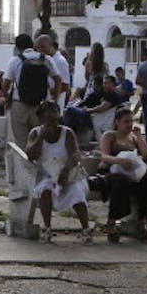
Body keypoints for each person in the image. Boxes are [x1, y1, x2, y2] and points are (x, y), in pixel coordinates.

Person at [25, 101, 92, 244]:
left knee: (76, 192)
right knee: (46, 190)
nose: (54, 124)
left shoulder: (67, 133)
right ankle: (47, 228)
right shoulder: (35, 133)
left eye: (56, 120)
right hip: (48, 176)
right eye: (50, 121)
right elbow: (31, 155)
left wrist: (66, 170)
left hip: (70, 174)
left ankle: (86, 229)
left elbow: (74, 154)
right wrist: (41, 137)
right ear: (41, 120)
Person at [98, 108, 147, 242]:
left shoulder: (133, 139)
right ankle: (112, 223)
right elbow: (104, 156)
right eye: (126, 122)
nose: (129, 125)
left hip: (132, 172)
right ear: (117, 123)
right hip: (113, 171)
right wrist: (119, 161)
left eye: (131, 121)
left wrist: (140, 138)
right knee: (121, 183)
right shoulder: (109, 136)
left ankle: (141, 221)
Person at [1, 34, 64, 146]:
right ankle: (37, 162)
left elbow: (6, 85)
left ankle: (23, 163)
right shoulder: (46, 59)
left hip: (20, 105)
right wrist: (55, 99)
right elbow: (58, 80)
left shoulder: (15, 60)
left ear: (17, 47)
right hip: (41, 106)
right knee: (39, 139)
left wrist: (6, 97)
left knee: (21, 141)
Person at [83, 75, 124, 144]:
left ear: (113, 84)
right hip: (102, 118)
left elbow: (102, 108)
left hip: (101, 119)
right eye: (104, 83)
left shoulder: (111, 94)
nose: (104, 85)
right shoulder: (111, 94)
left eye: (107, 83)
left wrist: (88, 110)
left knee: (72, 112)